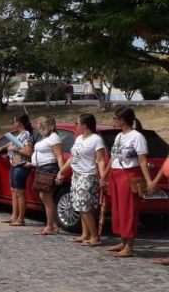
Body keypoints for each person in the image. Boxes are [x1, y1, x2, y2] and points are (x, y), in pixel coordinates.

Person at [102, 106, 151, 258]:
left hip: (128, 175)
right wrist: (104, 175)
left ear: (122, 120)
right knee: (117, 210)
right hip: (116, 175)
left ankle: (129, 245)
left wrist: (149, 181)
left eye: (115, 118)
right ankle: (123, 241)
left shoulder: (137, 137)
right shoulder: (119, 137)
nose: (113, 121)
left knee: (128, 210)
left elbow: (143, 161)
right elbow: (113, 158)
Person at [56, 113, 107, 246]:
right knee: (78, 206)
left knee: (84, 207)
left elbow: (100, 160)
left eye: (77, 123)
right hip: (76, 175)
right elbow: (73, 157)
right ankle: (85, 234)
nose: (75, 125)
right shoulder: (79, 139)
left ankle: (94, 237)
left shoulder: (96, 139)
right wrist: (62, 171)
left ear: (84, 125)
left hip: (88, 175)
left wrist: (102, 177)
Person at [30, 116, 65, 236]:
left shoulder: (54, 138)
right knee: (44, 197)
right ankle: (53, 224)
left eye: (38, 123)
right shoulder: (45, 137)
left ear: (44, 124)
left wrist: (61, 172)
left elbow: (59, 156)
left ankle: (50, 226)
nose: (36, 125)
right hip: (41, 168)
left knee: (46, 197)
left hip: (48, 168)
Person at [4, 113, 34, 227]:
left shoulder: (26, 135)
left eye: (14, 121)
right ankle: (14, 216)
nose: (13, 123)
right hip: (14, 165)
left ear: (19, 123)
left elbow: (28, 152)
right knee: (13, 191)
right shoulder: (19, 135)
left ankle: (21, 219)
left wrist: (14, 148)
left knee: (20, 193)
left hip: (21, 166)